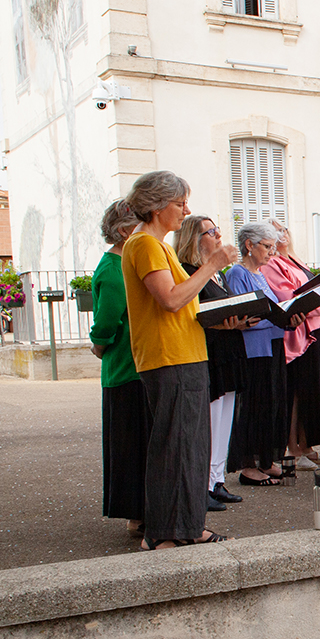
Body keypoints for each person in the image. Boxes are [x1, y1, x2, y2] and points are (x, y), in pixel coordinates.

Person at [121, 170, 237, 549]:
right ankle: (162, 533)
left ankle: (187, 524)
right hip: (168, 358)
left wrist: (218, 320)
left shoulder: (161, 246)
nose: (185, 210)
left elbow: (181, 301)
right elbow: (169, 298)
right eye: (179, 203)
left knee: (191, 447)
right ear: (157, 206)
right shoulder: (143, 245)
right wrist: (212, 265)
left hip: (185, 353)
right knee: (175, 446)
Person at [175, 215, 251, 512]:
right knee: (209, 421)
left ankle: (217, 479)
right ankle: (203, 484)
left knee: (224, 420)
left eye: (218, 230)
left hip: (229, 350)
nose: (218, 236)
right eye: (211, 232)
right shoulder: (190, 271)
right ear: (194, 239)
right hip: (210, 353)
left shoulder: (217, 274)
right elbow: (194, 313)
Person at [90, 199, 148, 537]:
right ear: (125, 230)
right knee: (130, 443)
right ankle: (135, 513)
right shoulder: (113, 269)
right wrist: (99, 344)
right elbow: (106, 322)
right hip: (125, 368)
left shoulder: (121, 264)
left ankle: (141, 509)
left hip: (132, 365)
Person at [263, 221, 320, 472]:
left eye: (284, 229)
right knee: (297, 392)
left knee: (312, 391)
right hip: (297, 332)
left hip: (315, 328)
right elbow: (288, 297)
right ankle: (293, 448)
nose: (282, 234)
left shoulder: (295, 259)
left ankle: (307, 445)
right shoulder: (272, 262)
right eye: (275, 231)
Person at [225, 223, 294, 486]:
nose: (271, 251)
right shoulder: (237, 273)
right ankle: (247, 465)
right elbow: (246, 314)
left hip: (272, 343)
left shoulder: (260, 273)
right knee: (254, 405)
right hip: (253, 348)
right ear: (249, 245)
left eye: (272, 246)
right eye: (266, 246)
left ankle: (266, 459)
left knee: (272, 404)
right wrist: (277, 317)